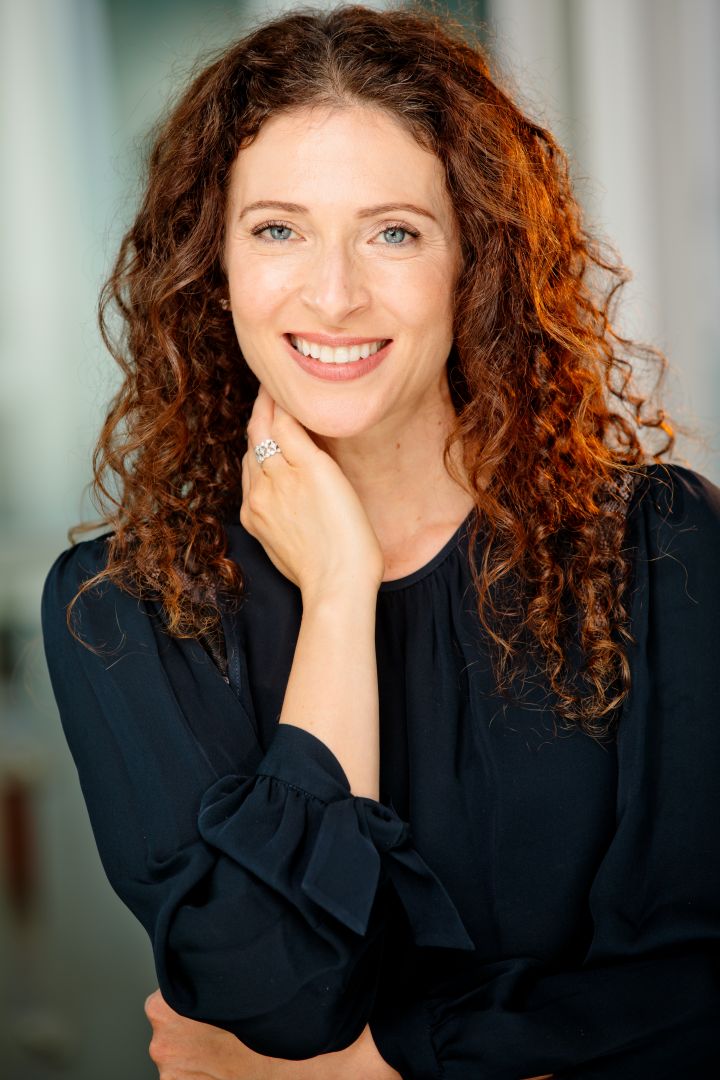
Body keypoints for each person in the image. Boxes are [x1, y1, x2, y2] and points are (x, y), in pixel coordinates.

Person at [41, 3, 720, 1078]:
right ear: (213, 265)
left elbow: (693, 1001)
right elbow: (278, 995)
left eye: (393, 231)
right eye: (278, 229)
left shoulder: (658, 548)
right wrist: (340, 590)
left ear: (475, 260)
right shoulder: (123, 607)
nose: (334, 294)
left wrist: (367, 1069)